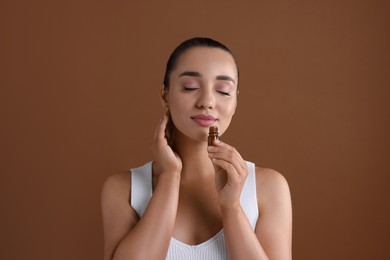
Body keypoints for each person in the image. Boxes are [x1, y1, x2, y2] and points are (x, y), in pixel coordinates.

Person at [101, 37, 292, 260]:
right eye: (190, 87)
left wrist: (232, 208)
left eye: (223, 91)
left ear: (235, 102)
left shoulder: (268, 188)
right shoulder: (124, 189)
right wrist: (170, 177)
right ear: (165, 95)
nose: (207, 101)